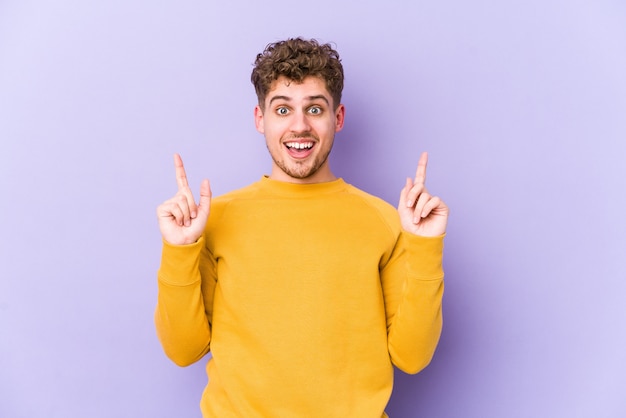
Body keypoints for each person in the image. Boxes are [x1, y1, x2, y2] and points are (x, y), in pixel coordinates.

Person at [155, 37, 448, 418]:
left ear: (337, 118)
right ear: (260, 119)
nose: (299, 126)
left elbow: (411, 357)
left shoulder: (385, 221)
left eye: (314, 108)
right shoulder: (215, 220)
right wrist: (179, 250)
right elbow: (183, 350)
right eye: (282, 109)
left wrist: (425, 248)